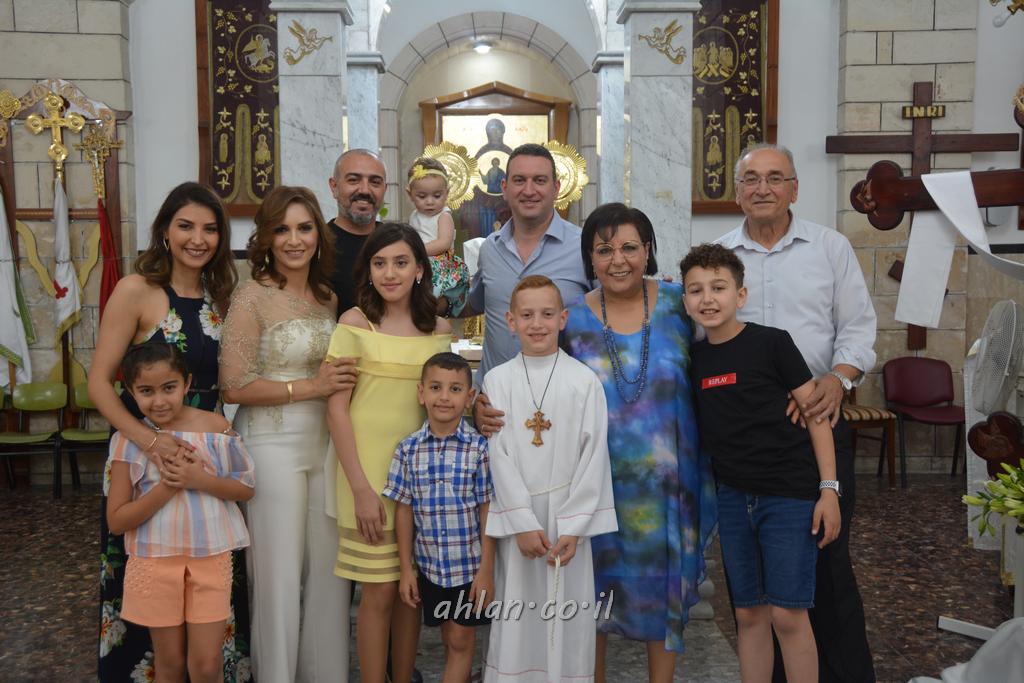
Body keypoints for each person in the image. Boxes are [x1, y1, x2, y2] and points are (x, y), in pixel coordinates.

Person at [716, 143, 877, 683]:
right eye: (751, 178)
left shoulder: (829, 248)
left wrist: (838, 379)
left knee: (826, 558)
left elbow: (858, 328)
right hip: (746, 437)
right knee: (756, 578)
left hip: (816, 420)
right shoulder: (719, 255)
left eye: (775, 178)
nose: (762, 188)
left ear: (794, 189)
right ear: (737, 190)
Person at [89, 182, 251, 681]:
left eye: (210, 229)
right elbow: (98, 381)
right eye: (186, 226)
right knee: (145, 581)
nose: (197, 239)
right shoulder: (136, 290)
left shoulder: (222, 298)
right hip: (143, 451)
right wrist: (148, 441)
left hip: (205, 456)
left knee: (208, 587)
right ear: (165, 230)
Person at [561, 203, 717, 683]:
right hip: (596, 485)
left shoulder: (679, 305)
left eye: (629, 247)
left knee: (662, 592)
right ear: (590, 258)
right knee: (591, 595)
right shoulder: (571, 320)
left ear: (647, 250)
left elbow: (725, 355)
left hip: (669, 487)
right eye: (604, 250)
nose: (618, 260)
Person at [681, 243, 842, 683]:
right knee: (749, 614)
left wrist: (829, 490)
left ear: (741, 295)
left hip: (788, 496)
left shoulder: (772, 343)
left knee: (788, 615)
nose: (708, 298)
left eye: (718, 287)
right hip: (734, 499)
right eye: (696, 290)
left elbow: (816, 417)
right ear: (685, 301)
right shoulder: (695, 360)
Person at [219, 186, 352, 681]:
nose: (294, 240)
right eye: (282, 230)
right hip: (270, 442)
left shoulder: (327, 297)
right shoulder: (251, 296)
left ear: (319, 234)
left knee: (330, 573)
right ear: (267, 238)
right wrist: (310, 387)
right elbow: (234, 386)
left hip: (326, 442)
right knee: (277, 575)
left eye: (304, 228)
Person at [325, 223, 452, 683]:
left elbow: (446, 399)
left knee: (408, 592)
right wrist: (361, 488)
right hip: (368, 476)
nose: (390, 273)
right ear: (368, 270)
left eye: (401, 262)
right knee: (378, 592)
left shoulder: (438, 329)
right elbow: (336, 410)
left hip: (421, 482)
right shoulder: (355, 323)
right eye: (379, 263)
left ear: (419, 269)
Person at [482, 275, 617, 683]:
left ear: (563, 319)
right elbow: (498, 456)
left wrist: (574, 527)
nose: (537, 323)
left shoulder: (584, 381)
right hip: (520, 524)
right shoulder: (497, 381)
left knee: (567, 617)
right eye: (527, 315)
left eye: (546, 314)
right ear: (511, 321)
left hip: (566, 524)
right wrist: (522, 523)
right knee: (518, 616)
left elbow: (594, 457)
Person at [106, 342, 255, 683]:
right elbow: (117, 520)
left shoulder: (216, 428)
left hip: (210, 559)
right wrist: (168, 487)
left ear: (186, 383)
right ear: (131, 391)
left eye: (169, 388)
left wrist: (199, 480)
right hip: (154, 560)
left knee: (206, 665)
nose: (159, 401)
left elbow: (246, 488)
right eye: (146, 391)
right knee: (170, 663)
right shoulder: (130, 441)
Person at [384, 352, 494, 683]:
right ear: (422, 393)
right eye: (436, 387)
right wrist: (406, 569)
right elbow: (404, 509)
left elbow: (487, 509)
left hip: (468, 569)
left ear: (469, 398)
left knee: (460, 640)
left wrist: (486, 570)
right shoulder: (408, 449)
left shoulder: (478, 449)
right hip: (431, 568)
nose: (444, 397)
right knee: (449, 637)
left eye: (455, 389)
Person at [466, 143, 590, 388]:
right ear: (504, 188)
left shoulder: (583, 248)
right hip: (495, 399)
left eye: (540, 180)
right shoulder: (490, 249)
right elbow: (473, 304)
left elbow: (614, 305)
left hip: (562, 396)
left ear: (556, 188)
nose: (529, 190)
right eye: (519, 180)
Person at [406, 157, 470, 316]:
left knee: (427, 295)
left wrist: (416, 250)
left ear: (446, 193)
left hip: (438, 262)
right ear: (410, 194)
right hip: (418, 259)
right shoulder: (414, 216)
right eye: (422, 196)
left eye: (437, 196)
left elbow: (444, 243)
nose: (430, 202)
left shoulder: (443, 216)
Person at [327, 148, 387, 316]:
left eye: (375, 182)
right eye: (353, 180)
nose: (365, 190)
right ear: (334, 186)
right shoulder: (315, 245)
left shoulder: (398, 243)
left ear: (385, 189)